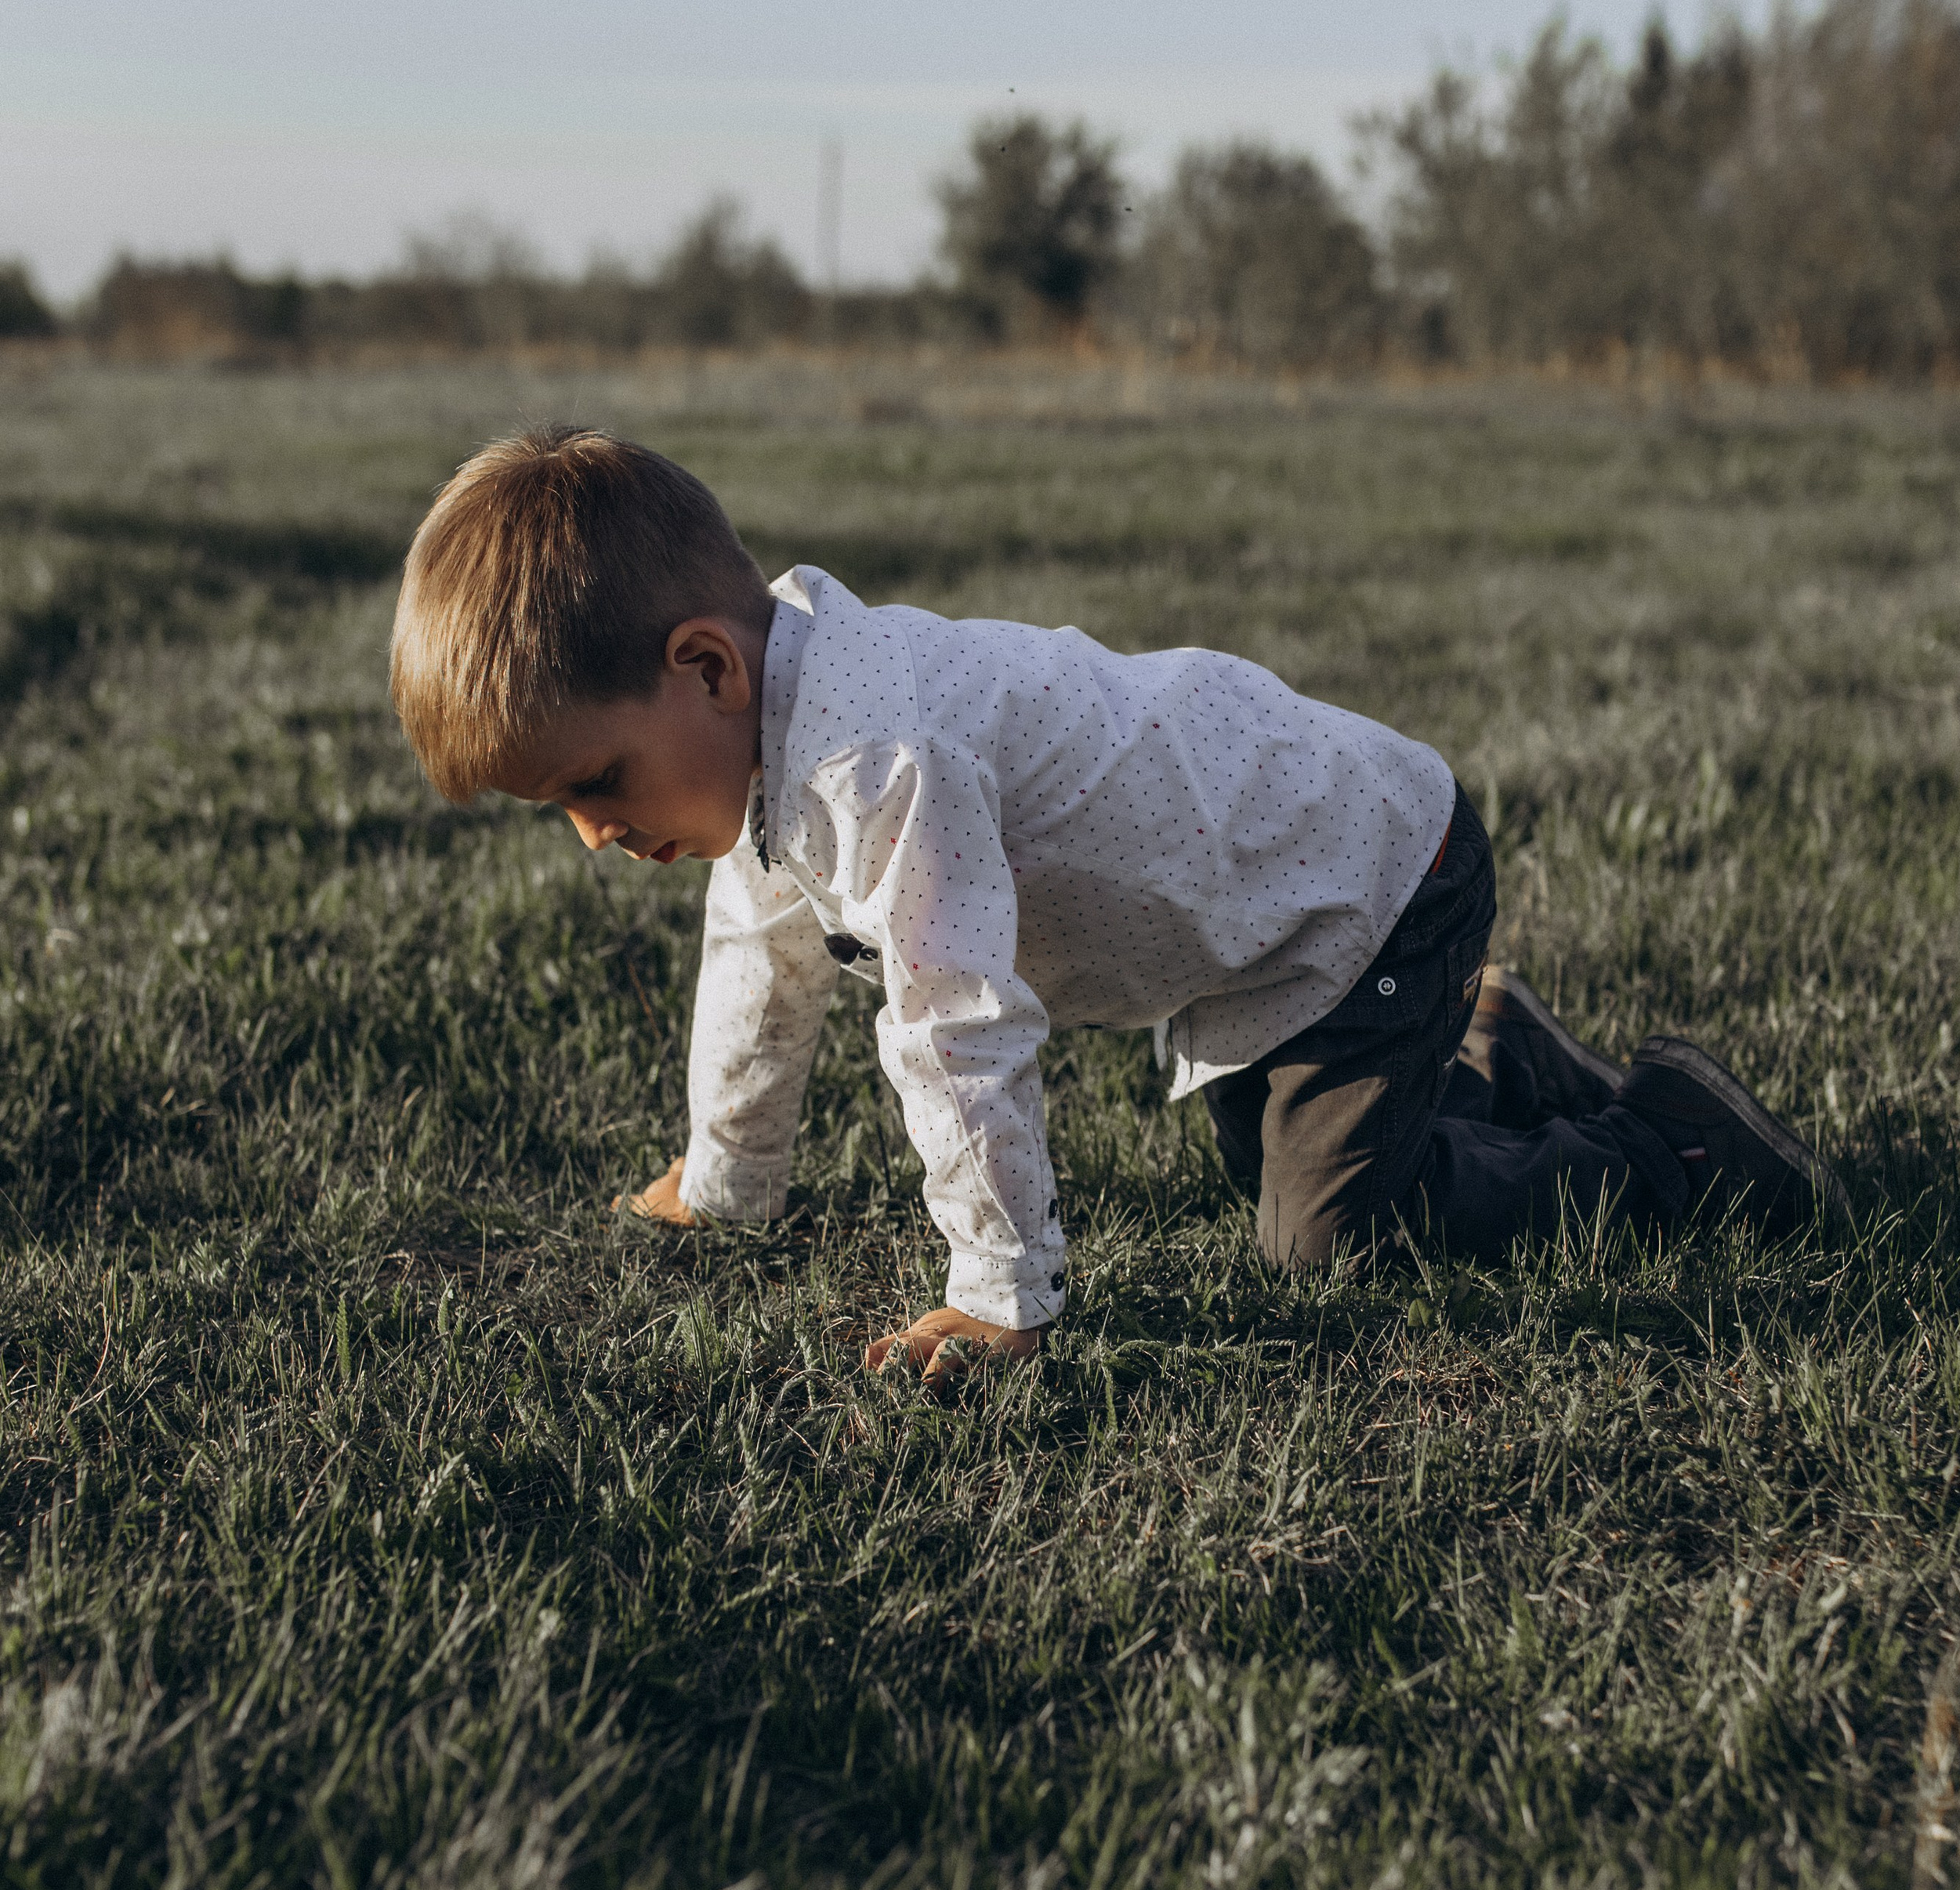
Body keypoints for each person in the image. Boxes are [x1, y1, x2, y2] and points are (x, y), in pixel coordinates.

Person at [390, 428, 1847, 1382]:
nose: (593, 833)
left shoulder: (873, 758)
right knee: (1272, 1165)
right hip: (1269, 939)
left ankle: (1668, 1147)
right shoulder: (777, 738)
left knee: (1335, 1245)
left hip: (1372, 888)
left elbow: (955, 1023)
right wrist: (724, 1182)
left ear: (704, 669)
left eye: (597, 781)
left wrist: (1002, 1288)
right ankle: (1494, 1053)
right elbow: (758, 953)